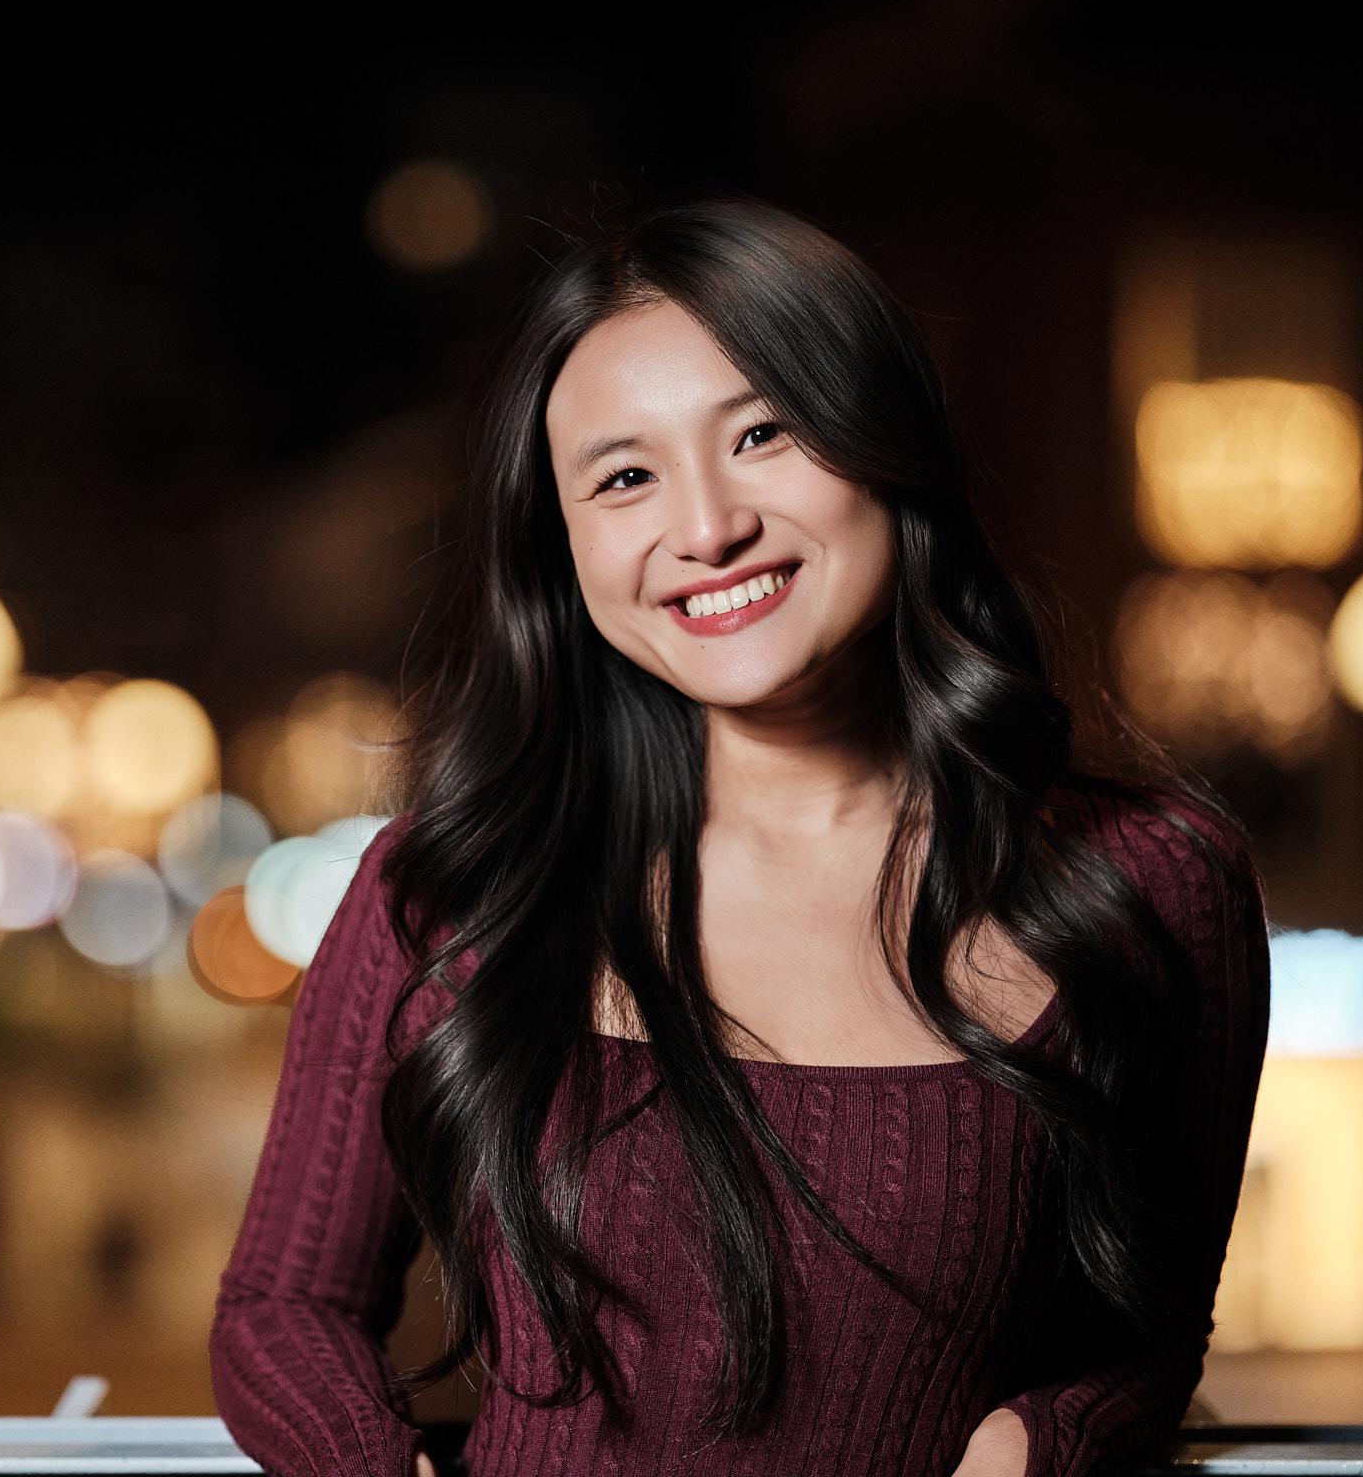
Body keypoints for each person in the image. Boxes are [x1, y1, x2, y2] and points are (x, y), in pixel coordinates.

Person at [208, 188, 1272, 1476]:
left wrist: (1041, 1440)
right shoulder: (451, 890)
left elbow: (1148, 1342)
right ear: (567, 545)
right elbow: (283, 1309)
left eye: (764, 433)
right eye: (625, 477)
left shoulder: (1151, 886)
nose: (706, 529)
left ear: (885, 443)